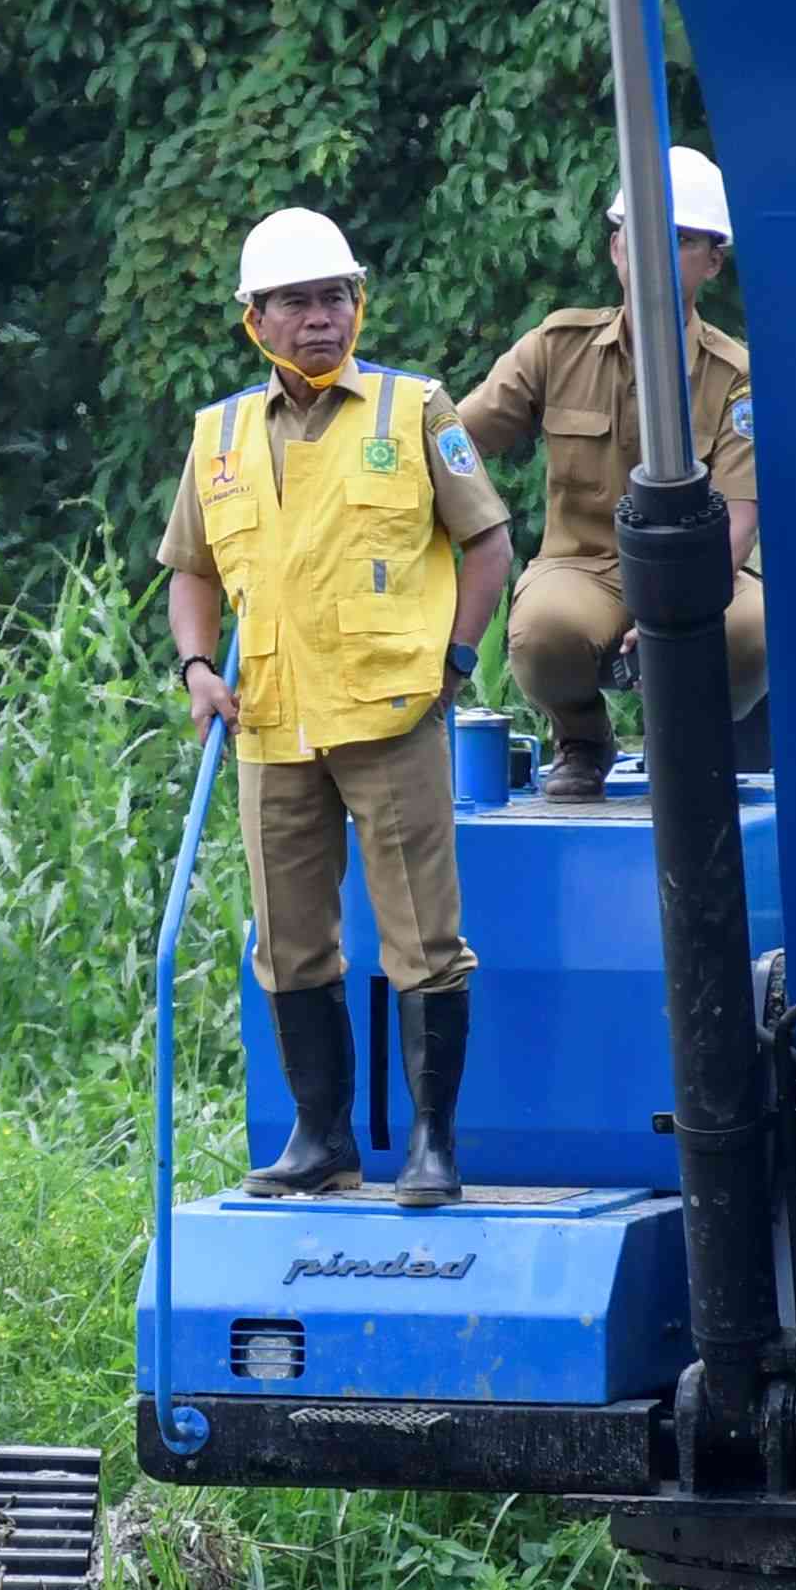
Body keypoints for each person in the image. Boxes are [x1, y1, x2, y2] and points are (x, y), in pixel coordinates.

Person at [162, 206, 513, 1208]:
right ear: (255, 322)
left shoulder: (414, 411)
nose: (319, 318)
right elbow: (189, 570)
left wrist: (453, 660)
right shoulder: (218, 436)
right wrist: (197, 669)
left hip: (392, 712)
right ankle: (320, 1139)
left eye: (334, 298)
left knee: (422, 937)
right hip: (269, 720)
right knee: (288, 937)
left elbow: (486, 542)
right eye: (294, 303)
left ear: (357, 307)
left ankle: (431, 1147)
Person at [456, 145, 762, 802]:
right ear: (617, 248)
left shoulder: (736, 377)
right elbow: (453, 444)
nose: (654, 254)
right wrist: (468, 523)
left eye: (678, 240)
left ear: (712, 260)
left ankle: (685, 736)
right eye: (639, 236)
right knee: (542, 633)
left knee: (749, 631)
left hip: (705, 570)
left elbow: (738, 523)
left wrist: (675, 613)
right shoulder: (556, 347)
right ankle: (583, 737)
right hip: (586, 564)